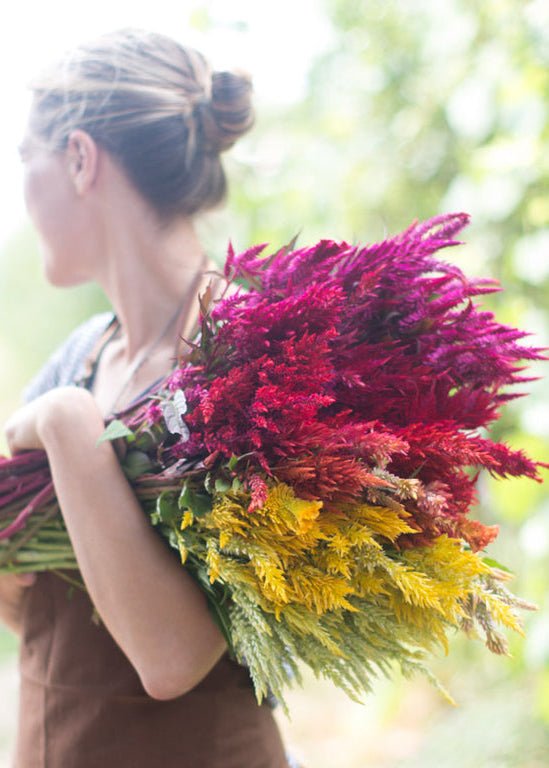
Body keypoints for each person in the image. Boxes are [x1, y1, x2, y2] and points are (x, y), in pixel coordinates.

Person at [0, 28, 292, 768]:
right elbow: (17, 589)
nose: (22, 195)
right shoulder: (85, 353)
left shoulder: (248, 363)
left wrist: (65, 424)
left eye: (23, 162)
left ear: (77, 157)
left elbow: (171, 659)